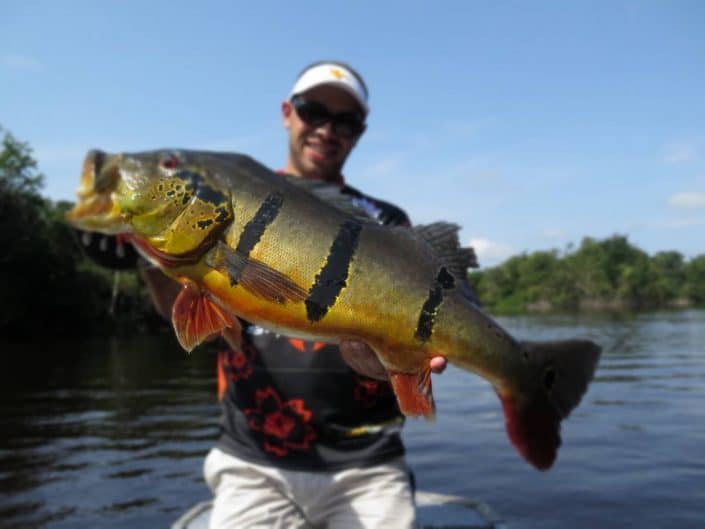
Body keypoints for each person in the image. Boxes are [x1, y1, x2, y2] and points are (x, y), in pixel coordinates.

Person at [80, 61, 455, 529]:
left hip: (369, 464)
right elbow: (191, 314)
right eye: (313, 110)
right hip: (252, 462)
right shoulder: (230, 191)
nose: (326, 129)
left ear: (359, 133)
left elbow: (417, 337)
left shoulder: (385, 221)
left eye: (345, 121)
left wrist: (389, 364)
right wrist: (144, 254)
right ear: (287, 112)